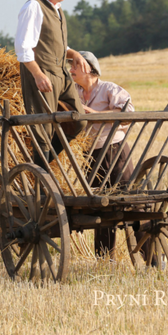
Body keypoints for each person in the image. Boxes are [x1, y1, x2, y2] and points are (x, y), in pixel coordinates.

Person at [15, 0, 88, 167]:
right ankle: (42, 176)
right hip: (43, 73)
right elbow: (23, 47)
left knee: (79, 120)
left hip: (61, 73)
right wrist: (37, 74)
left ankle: (43, 164)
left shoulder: (57, 9)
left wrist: (74, 54)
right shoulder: (33, 7)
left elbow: (55, 44)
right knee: (42, 129)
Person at [69, 51, 135, 259]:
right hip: (89, 156)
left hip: (115, 151)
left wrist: (94, 115)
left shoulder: (109, 89)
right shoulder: (74, 93)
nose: (71, 70)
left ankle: (150, 257)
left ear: (88, 68)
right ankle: (105, 259)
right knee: (100, 205)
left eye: (75, 67)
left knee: (131, 202)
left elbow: (127, 116)